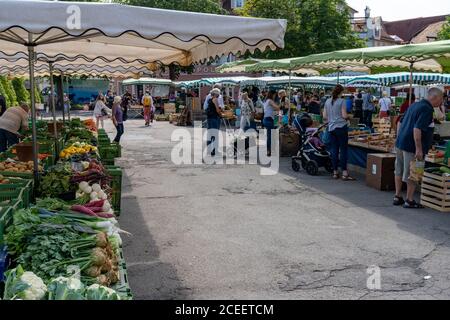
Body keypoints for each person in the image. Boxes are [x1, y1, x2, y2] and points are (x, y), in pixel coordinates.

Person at [394, 87, 443, 209]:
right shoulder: (427, 109)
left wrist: (398, 138)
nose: (441, 102)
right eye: (441, 99)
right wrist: (419, 149)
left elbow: (400, 122)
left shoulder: (414, 105)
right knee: (414, 172)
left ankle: (397, 196)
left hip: (401, 143)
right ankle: (409, 200)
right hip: (411, 146)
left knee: (399, 170)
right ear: (434, 97)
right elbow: (417, 129)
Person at [323, 85, 354, 181]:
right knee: (343, 150)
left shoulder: (327, 101)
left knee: (334, 150)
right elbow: (344, 115)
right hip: (341, 127)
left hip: (331, 128)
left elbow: (324, 116)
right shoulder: (342, 101)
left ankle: (335, 172)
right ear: (341, 92)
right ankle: (344, 172)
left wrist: (332, 119)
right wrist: (350, 117)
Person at [263, 90, 280, 157]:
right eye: (275, 95)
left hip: (267, 119)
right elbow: (277, 108)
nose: (275, 96)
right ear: (272, 95)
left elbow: (272, 110)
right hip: (269, 120)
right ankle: (269, 151)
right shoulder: (270, 101)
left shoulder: (266, 101)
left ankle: (270, 150)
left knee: (270, 135)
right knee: (270, 136)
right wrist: (282, 103)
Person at [206, 88, 222, 157]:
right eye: (218, 94)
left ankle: (209, 150)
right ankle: (215, 150)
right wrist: (221, 114)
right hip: (214, 118)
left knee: (210, 134)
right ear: (216, 94)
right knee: (215, 135)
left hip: (209, 119)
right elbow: (217, 110)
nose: (219, 95)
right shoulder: (215, 99)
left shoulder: (209, 100)